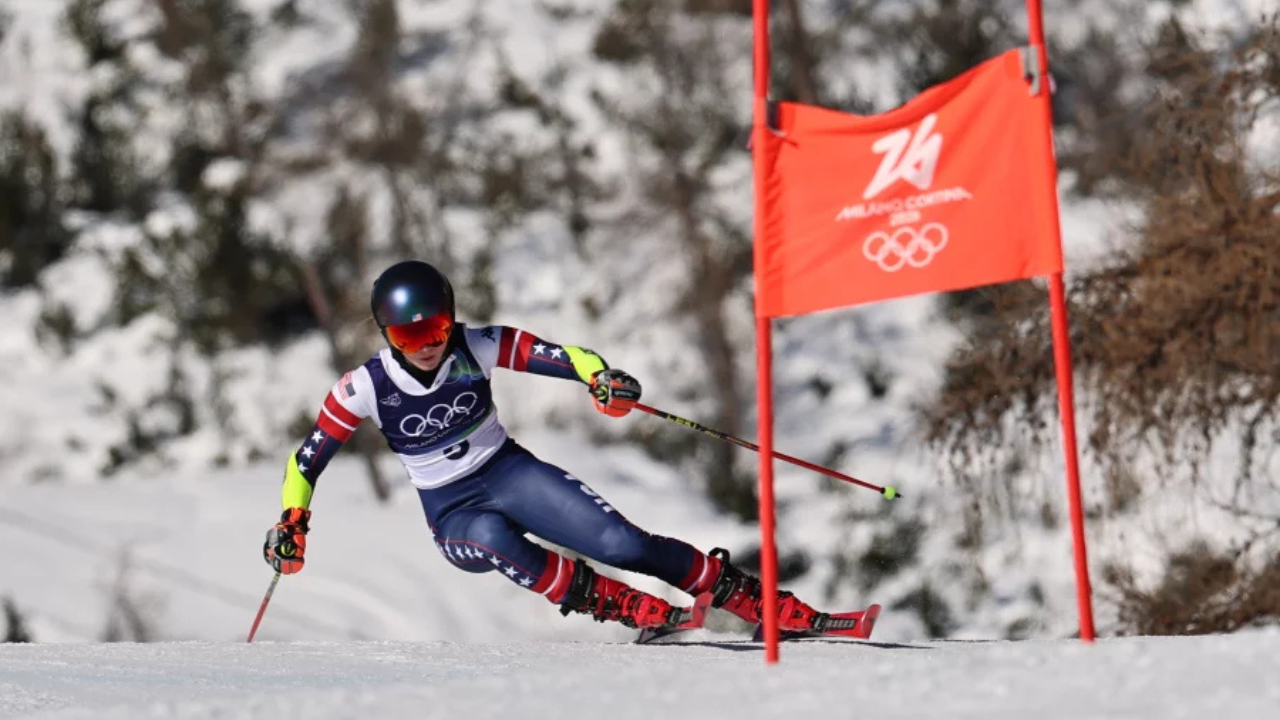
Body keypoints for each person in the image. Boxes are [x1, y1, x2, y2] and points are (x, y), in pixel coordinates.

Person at [262, 259, 829, 631]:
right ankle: (625, 606)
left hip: (509, 473)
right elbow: (306, 460)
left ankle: (764, 604)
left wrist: (601, 379)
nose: (427, 346)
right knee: (492, 537)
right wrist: (292, 522)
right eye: (410, 336)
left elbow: (565, 357)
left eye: (435, 330)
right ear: (387, 335)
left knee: (624, 542)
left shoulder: (476, 345)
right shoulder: (364, 387)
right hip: (453, 511)